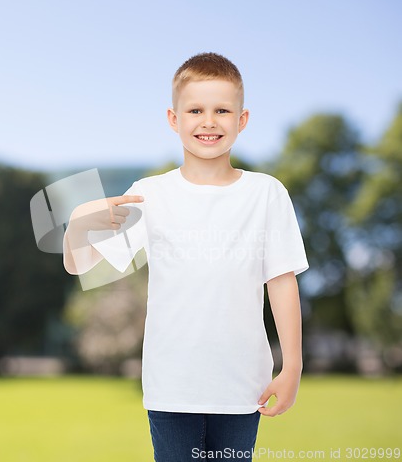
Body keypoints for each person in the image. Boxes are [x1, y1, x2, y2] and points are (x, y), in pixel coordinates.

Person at [63, 52, 309, 462]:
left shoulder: (266, 193)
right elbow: (80, 265)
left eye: (222, 110)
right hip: (171, 387)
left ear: (242, 119)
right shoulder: (149, 194)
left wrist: (293, 367)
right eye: (195, 109)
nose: (208, 121)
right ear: (173, 119)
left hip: (242, 387)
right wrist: (78, 223)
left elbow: (282, 281)